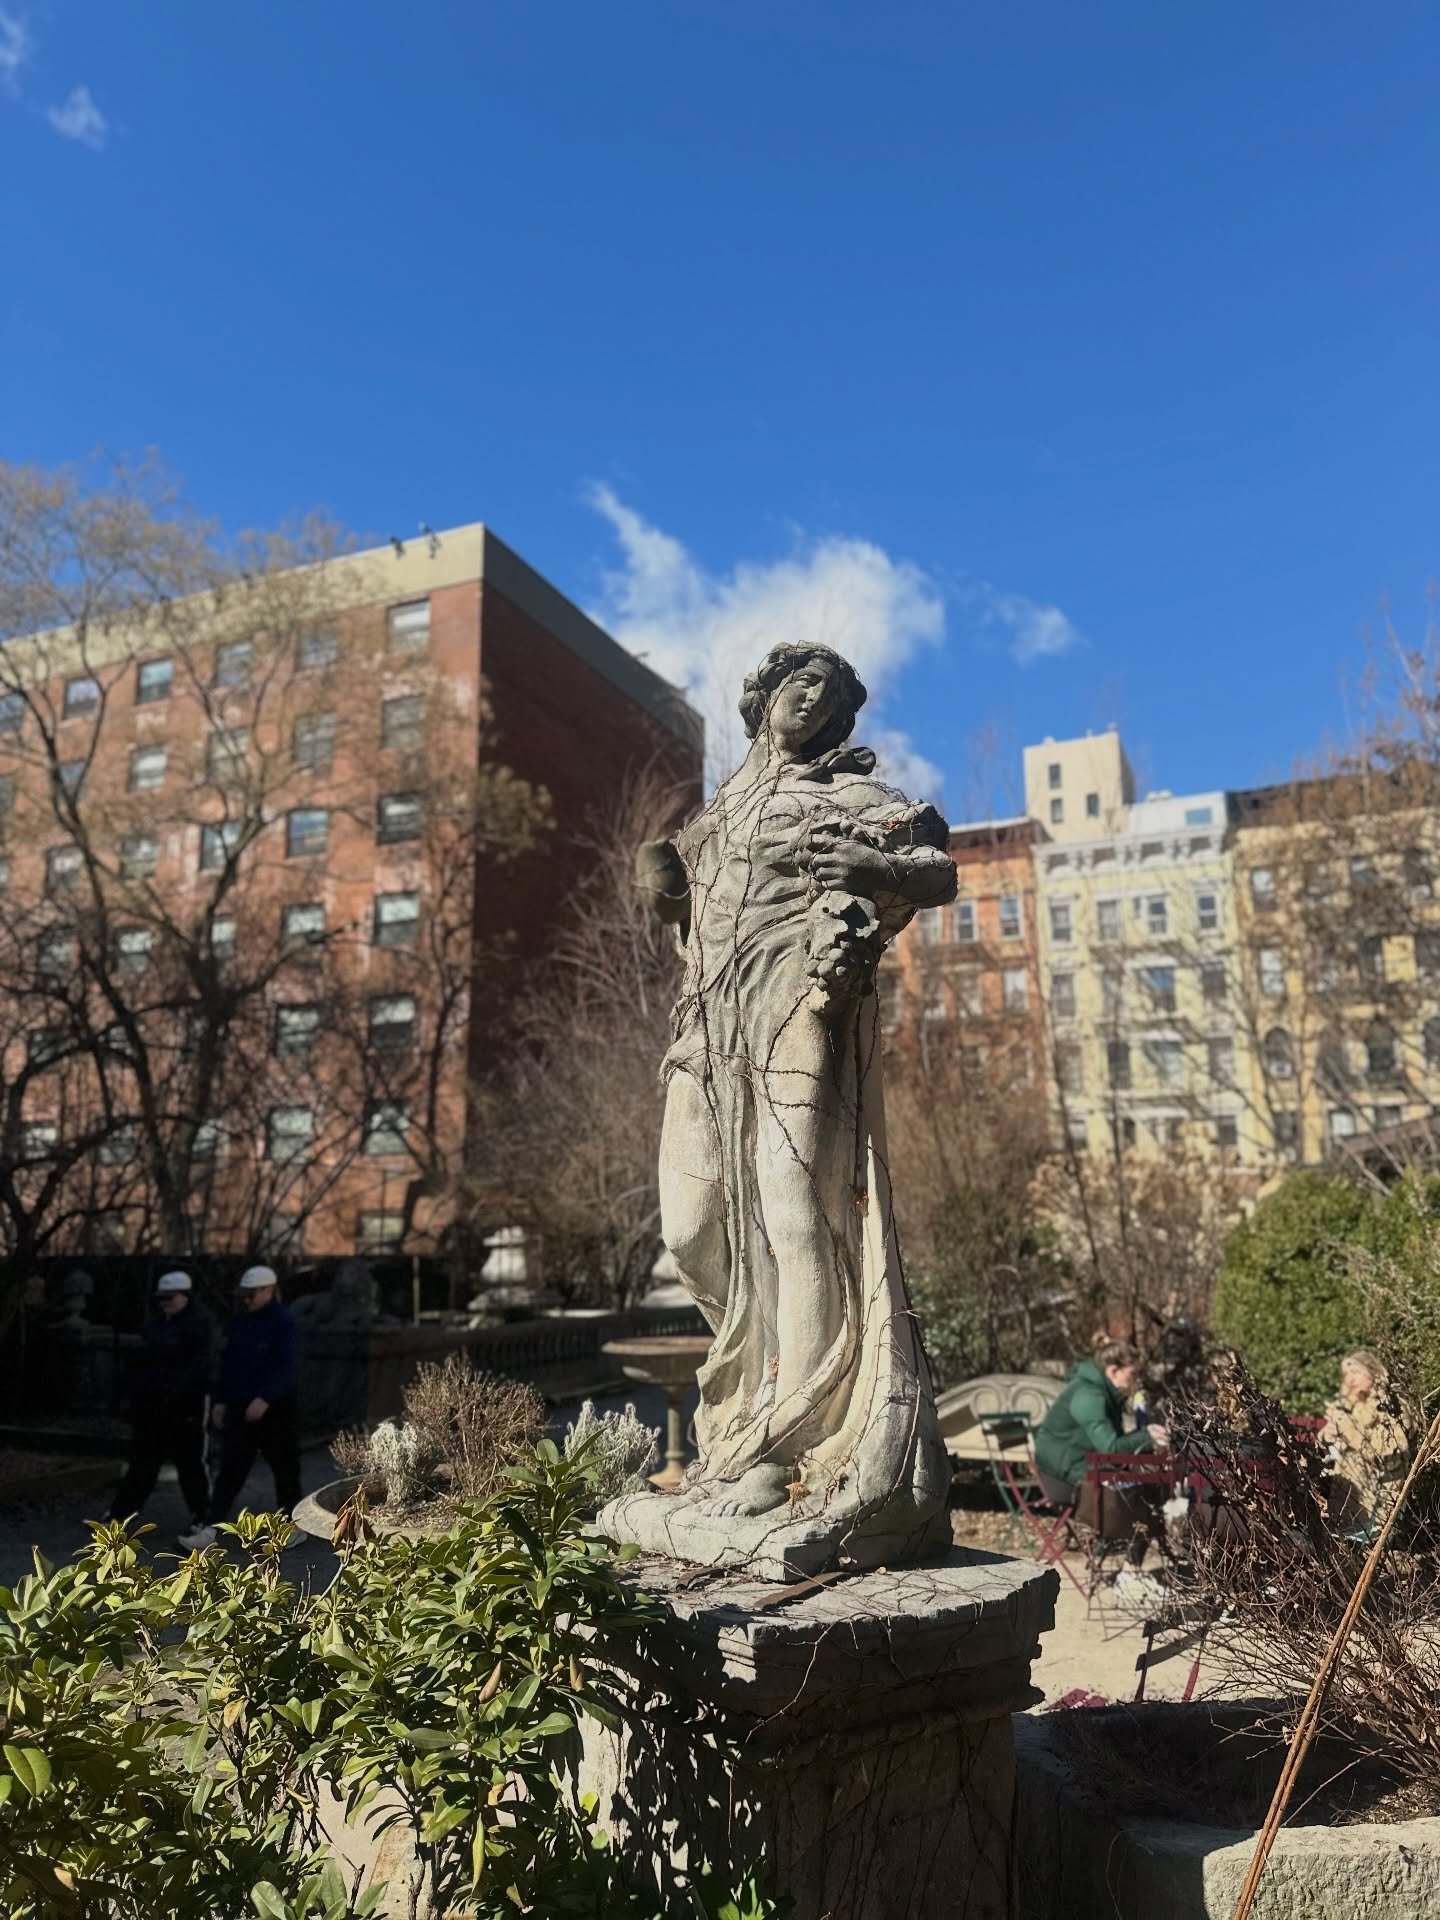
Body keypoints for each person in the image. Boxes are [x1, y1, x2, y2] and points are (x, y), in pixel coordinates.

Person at [622, 641, 957, 1566]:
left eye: (827, 691)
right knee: (690, 1227)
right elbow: (690, 907)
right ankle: (750, 1393)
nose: (808, 699)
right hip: (706, 1027)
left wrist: (872, 868)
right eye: (794, 683)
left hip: (795, 1005)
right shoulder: (716, 813)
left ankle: (786, 1444)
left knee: (794, 1217)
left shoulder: (847, 796)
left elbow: (936, 867)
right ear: (763, 698)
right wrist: (664, 888)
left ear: (841, 716)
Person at [1034, 1337, 1170, 1602]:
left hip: (1082, 1467)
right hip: (1064, 1477)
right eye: (1132, 1374)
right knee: (1147, 1491)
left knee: (1151, 1485)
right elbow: (1110, 1447)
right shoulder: (1090, 1395)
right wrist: (1147, 1435)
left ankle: (1131, 1571)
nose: (1135, 1382)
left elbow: (1112, 1450)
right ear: (1113, 1371)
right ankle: (1130, 1576)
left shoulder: (1104, 1393)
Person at [178, 1265, 301, 1550]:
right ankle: (211, 1527)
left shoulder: (285, 1322)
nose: (246, 1300)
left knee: (285, 1470)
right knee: (230, 1472)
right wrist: (221, 1400)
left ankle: (292, 1525)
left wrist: (267, 1397)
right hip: (242, 1406)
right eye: (244, 1295)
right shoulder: (241, 1322)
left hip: (277, 1409)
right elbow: (228, 1365)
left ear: (269, 1291)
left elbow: (289, 1366)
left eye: (251, 1294)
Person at [110, 1270, 212, 1535]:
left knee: (189, 1464)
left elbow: (198, 1367)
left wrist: (174, 1393)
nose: (165, 1302)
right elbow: (142, 1364)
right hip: (153, 1405)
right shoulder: (157, 1326)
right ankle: (119, 1516)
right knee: (142, 1463)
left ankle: (202, 1516)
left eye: (171, 1297)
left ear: (185, 1297)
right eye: (162, 1298)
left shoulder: (199, 1326)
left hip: (184, 1405)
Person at [1321, 1349, 1410, 1541]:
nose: (1350, 1379)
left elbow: (1391, 1455)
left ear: (1374, 1371)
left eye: (1356, 1372)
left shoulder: (1392, 1407)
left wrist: (1348, 1430)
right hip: (1347, 1507)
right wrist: (1328, 1435)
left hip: (1379, 1504)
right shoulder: (1350, 1408)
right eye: (1346, 1375)